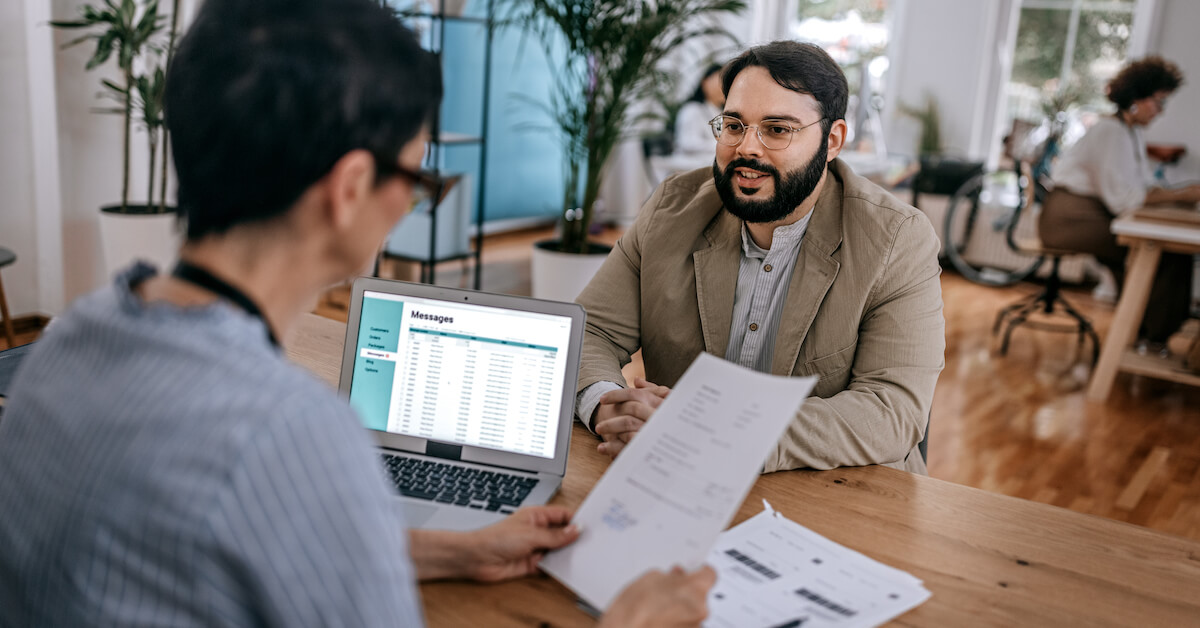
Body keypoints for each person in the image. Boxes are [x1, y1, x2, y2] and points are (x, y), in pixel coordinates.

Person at [0, 0, 714, 625]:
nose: (410, 202)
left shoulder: (70, 340)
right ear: (349, 188)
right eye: (416, 176)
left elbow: (213, 546)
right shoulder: (292, 434)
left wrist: (454, 550)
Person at [576, 41, 945, 474]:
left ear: (832, 140)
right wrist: (606, 406)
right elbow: (589, 330)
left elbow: (891, 411)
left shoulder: (897, 238)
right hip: (675, 478)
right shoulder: (671, 210)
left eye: (777, 129)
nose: (747, 148)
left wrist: (716, 433)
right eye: (734, 125)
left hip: (837, 496)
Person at [1040, 56, 1200, 345]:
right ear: (1138, 97)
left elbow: (1145, 188)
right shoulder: (1110, 132)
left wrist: (1177, 196)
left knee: (1164, 251)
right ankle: (1151, 336)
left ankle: (1144, 329)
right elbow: (1126, 201)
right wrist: (1182, 195)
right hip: (1069, 219)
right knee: (1158, 250)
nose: (1161, 112)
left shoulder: (1132, 133)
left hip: (1091, 215)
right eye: (1159, 102)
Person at [674, 63, 726, 155]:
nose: (723, 87)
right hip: (691, 164)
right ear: (704, 82)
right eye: (719, 81)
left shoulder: (722, 112)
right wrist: (724, 145)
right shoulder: (692, 110)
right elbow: (688, 143)